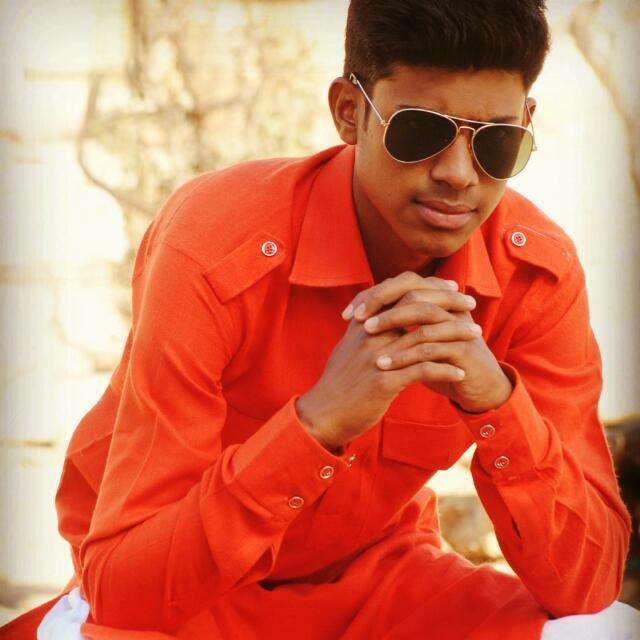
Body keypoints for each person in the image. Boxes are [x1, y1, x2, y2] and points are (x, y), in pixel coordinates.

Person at [2, 1, 639, 638]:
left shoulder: (534, 273)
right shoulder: (216, 246)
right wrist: (318, 423)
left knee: (601, 631)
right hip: (188, 600)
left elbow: (587, 585)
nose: (457, 175)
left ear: (527, 125)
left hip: (378, 592)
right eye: (419, 132)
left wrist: (496, 402)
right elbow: (125, 591)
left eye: (497, 142)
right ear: (348, 112)